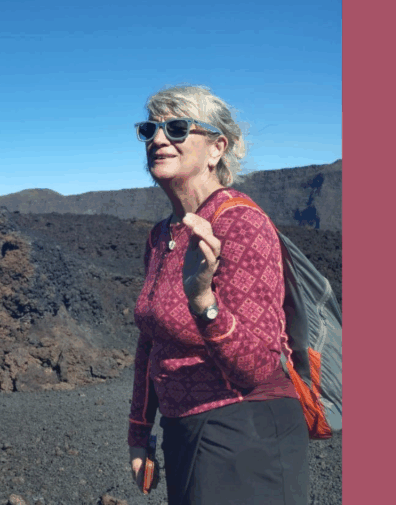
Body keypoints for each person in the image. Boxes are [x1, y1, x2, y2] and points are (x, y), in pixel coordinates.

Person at [126, 85, 309, 505]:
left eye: (176, 128)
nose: (157, 139)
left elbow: (259, 365)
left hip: (245, 431)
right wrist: (139, 432)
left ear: (216, 148)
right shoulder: (160, 236)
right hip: (182, 431)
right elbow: (149, 340)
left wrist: (203, 300)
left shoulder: (242, 223)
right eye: (149, 129)